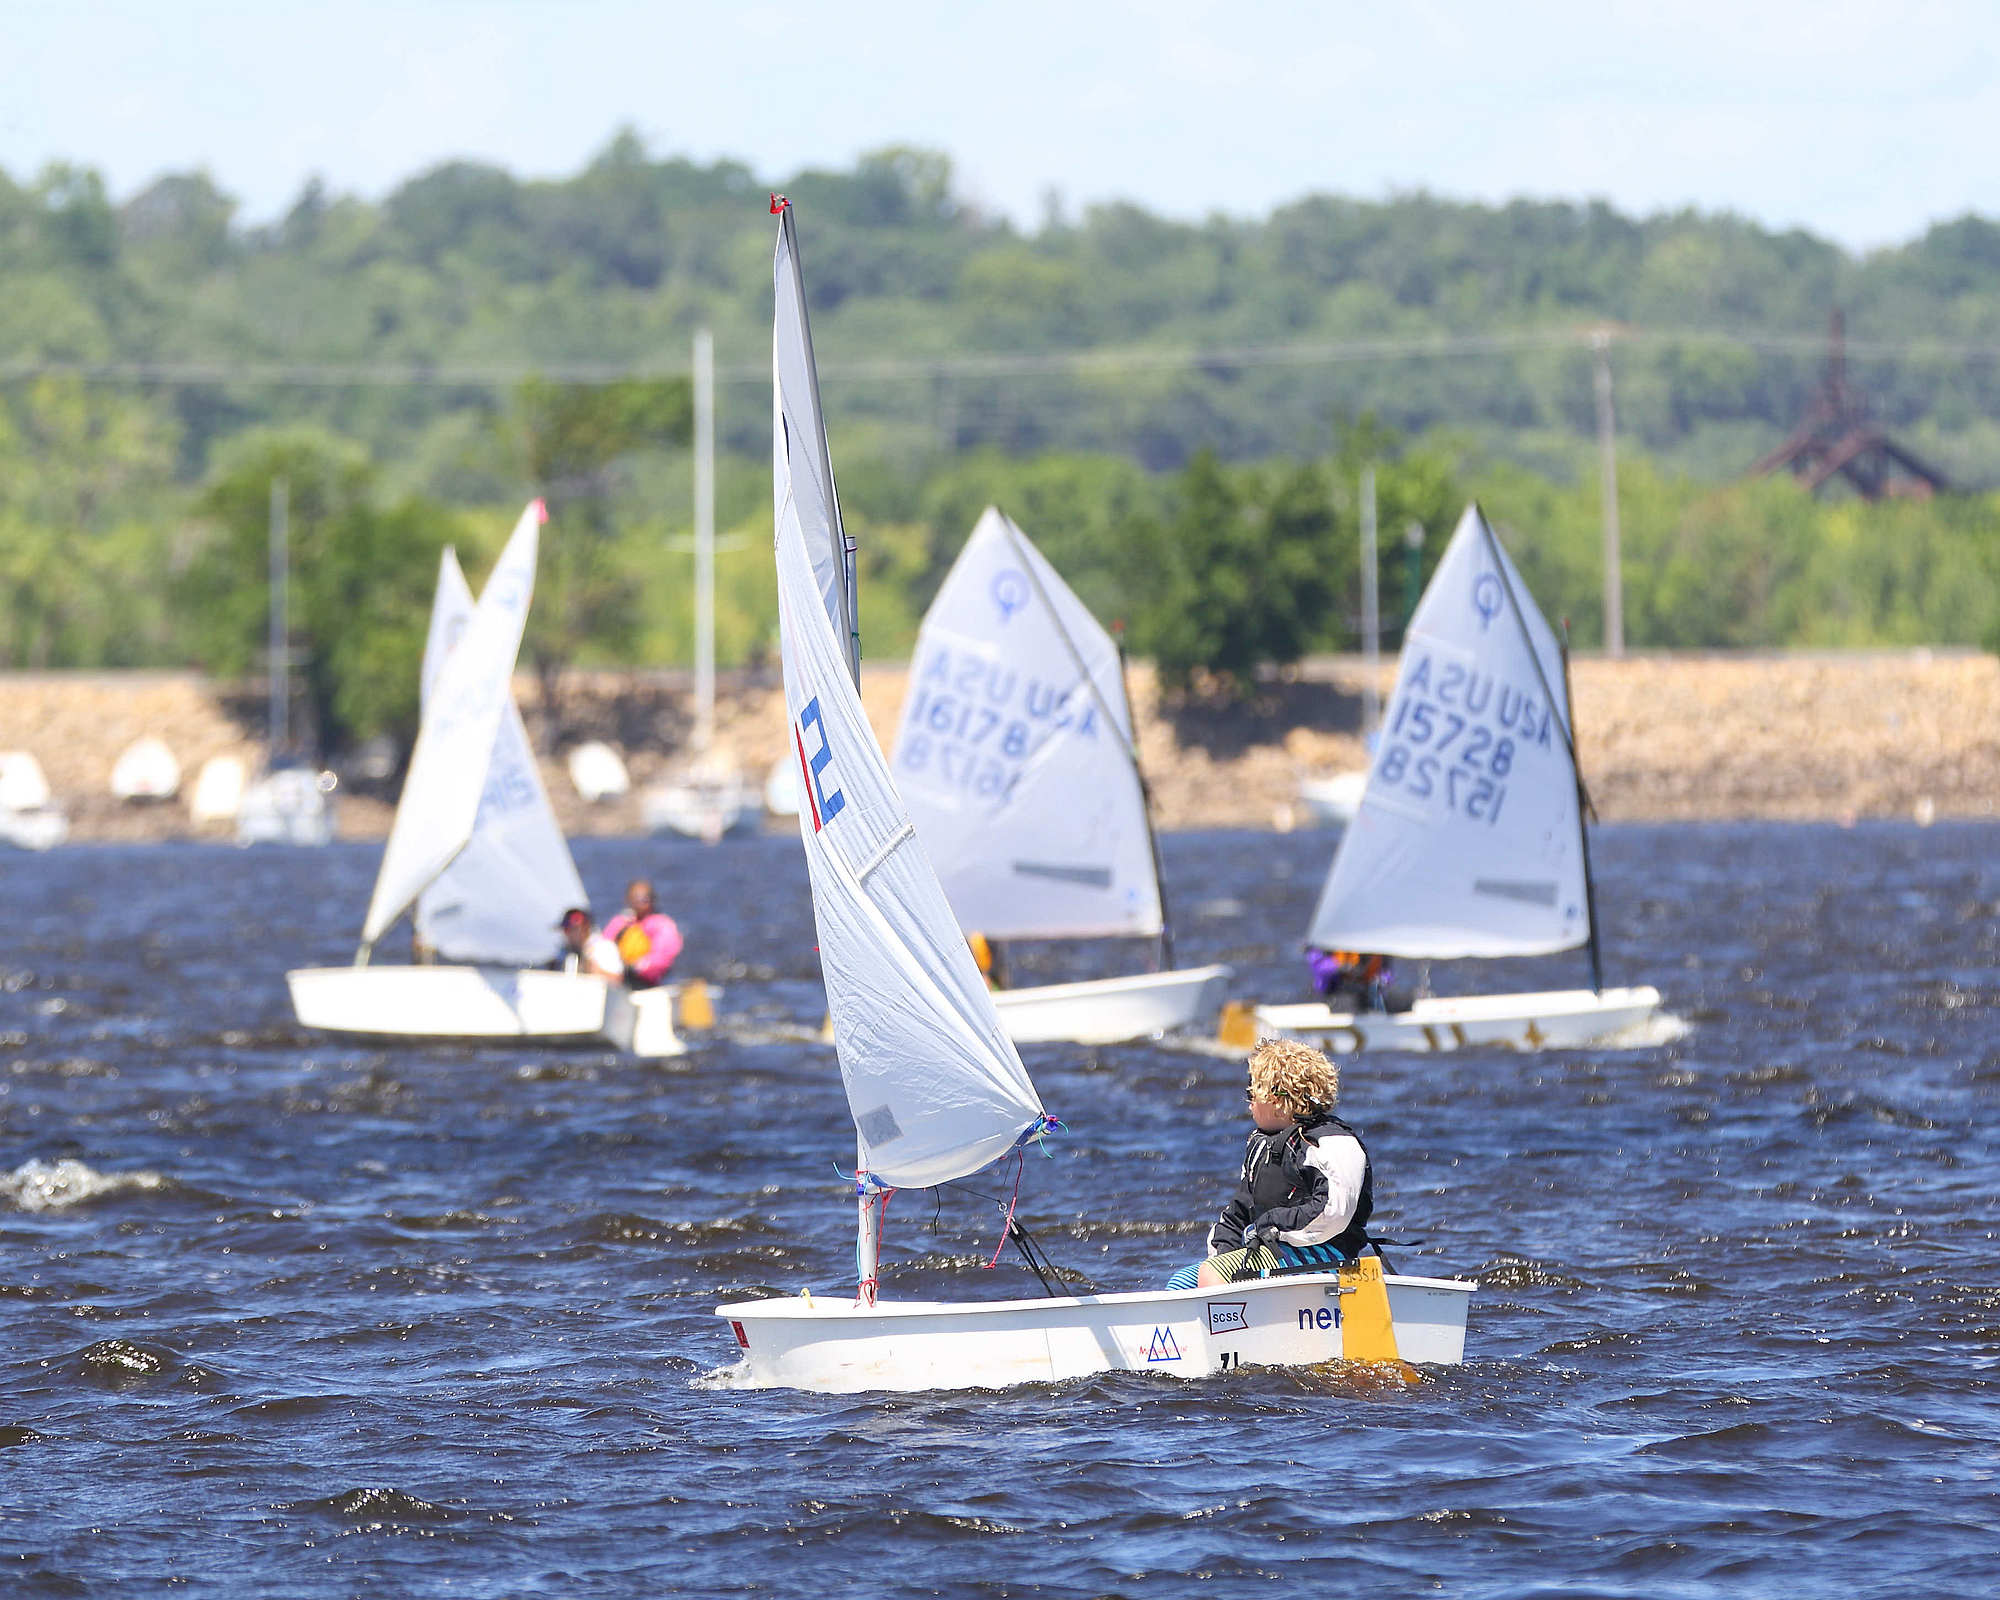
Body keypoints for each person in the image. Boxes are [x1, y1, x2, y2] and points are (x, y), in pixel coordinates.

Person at [1165, 1037, 1373, 1290]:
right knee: (1183, 1282)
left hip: (1326, 1254)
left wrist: (1272, 1224)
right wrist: (1225, 1249)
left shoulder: (1332, 1144)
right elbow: (1241, 1209)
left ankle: (1230, 1325)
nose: (1249, 1099)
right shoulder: (1261, 1145)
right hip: (1274, 1250)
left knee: (1213, 1274)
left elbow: (1334, 1212)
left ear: (1278, 1101)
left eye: (1253, 1091)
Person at [602, 878, 683, 990]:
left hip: (648, 985)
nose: (639, 903)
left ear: (652, 900)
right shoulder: (620, 922)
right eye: (635, 898)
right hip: (619, 981)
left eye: (644, 899)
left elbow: (662, 959)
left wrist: (635, 967)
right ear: (628, 900)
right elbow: (604, 945)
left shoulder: (662, 924)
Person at [1305, 945, 1406, 1013]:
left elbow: (1386, 971)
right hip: (1338, 992)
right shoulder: (1329, 938)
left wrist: (1384, 980)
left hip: (1371, 991)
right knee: (1352, 1004)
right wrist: (1339, 967)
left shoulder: (1377, 939)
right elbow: (1318, 965)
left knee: (1404, 1003)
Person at [552, 907, 623, 980]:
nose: (567, 934)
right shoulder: (566, 950)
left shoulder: (604, 947)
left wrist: (594, 970)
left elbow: (617, 980)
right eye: (565, 930)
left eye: (571, 929)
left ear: (585, 928)